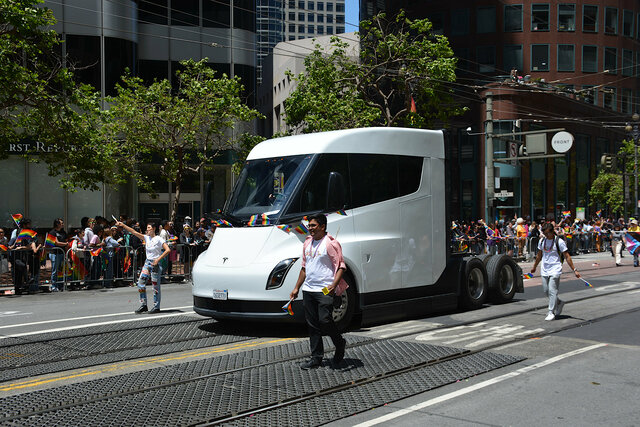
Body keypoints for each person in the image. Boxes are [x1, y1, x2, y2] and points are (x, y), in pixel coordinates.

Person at [289, 213, 348, 369]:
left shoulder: (330, 244)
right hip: (308, 288)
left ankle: (339, 343)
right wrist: (296, 288)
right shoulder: (307, 243)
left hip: (324, 289)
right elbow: (304, 268)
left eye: (313, 225)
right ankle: (316, 357)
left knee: (324, 320)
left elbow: (341, 266)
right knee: (312, 324)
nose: (310, 229)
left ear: (322, 226)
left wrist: (333, 285)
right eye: (309, 226)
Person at [116, 220, 170, 314]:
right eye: (147, 228)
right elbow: (134, 232)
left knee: (155, 286)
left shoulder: (159, 239)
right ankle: (143, 304)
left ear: (154, 229)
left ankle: (156, 306)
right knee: (140, 283)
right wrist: (123, 225)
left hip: (155, 264)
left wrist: (158, 259)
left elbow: (167, 250)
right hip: (147, 263)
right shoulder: (146, 238)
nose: (147, 230)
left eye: (149, 228)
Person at [531, 223, 580, 321]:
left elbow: (567, 256)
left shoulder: (559, 242)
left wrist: (574, 270)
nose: (545, 235)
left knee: (552, 290)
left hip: (555, 268)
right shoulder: (542, 241)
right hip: (545, 269)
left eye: (547, 233)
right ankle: (559, 303)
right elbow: (539, 255)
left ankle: (551, 312)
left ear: (552, 231)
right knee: (546, 291)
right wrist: (534, 267)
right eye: (544, 233)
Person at [48, 218, 68, 291]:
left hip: (62, 253)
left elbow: (66, 240)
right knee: (55, 270)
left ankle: (60, 285)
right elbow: (56, 243)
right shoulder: (52, 232)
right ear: (57, 224)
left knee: (61, 270)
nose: (62, 224)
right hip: (55, 254)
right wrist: (66, 244)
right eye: (61, 223)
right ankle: (54, 285)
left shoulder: (63, 232)